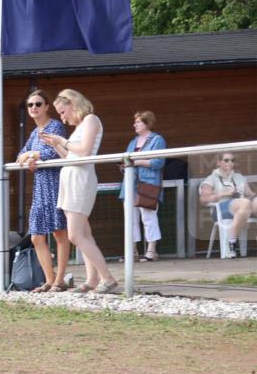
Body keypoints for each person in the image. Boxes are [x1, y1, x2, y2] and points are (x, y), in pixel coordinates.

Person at [39, 89, 118, 294]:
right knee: (84, 233)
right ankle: (92, 279)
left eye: (63, 112)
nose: (63, 117)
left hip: (81, 180)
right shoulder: (80, 126)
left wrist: (62, 140)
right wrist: (56, 143)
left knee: (74, 235)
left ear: (73, 104)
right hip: (71, 178)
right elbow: (70, 156)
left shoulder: (91, 120)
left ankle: (107, 278)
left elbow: (83, 151)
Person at [16, 89, 71, 292]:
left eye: (38, 104)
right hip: (40, 185)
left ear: (47, 106)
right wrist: (31, 156)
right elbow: (21, 154)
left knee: (59, 232)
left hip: (55, 182)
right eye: (30, 105)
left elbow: (55, 151)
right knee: (36, 236)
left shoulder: (55, 126)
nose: (34, 108)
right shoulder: (34, 132)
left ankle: (60, 280)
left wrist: (33, 155)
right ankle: (49, 278)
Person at [118, 110, 167, 262]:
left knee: (148, 216)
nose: (135, 125)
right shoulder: (133, 142)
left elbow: (158, 162)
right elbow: (127, 160)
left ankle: (151, 251)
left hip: (148, 182)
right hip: (130, 183)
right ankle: (132, 251)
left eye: (138, 122)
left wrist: (137, 162)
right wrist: (124, 165)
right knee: (130, 217)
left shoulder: (157, 139)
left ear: (147, 123)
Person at [199, 152, 256, 258]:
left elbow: (251, 194)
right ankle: (231, 242)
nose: (230, 162)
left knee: (253, 202)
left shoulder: (239, 177)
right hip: (221, 209)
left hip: (243, 207)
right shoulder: (212, 178)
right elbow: (203, 200)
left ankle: (232, 241)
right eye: (226, 160)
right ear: (219, 163)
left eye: (232, 160)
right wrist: (222, 193)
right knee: (245, 202)